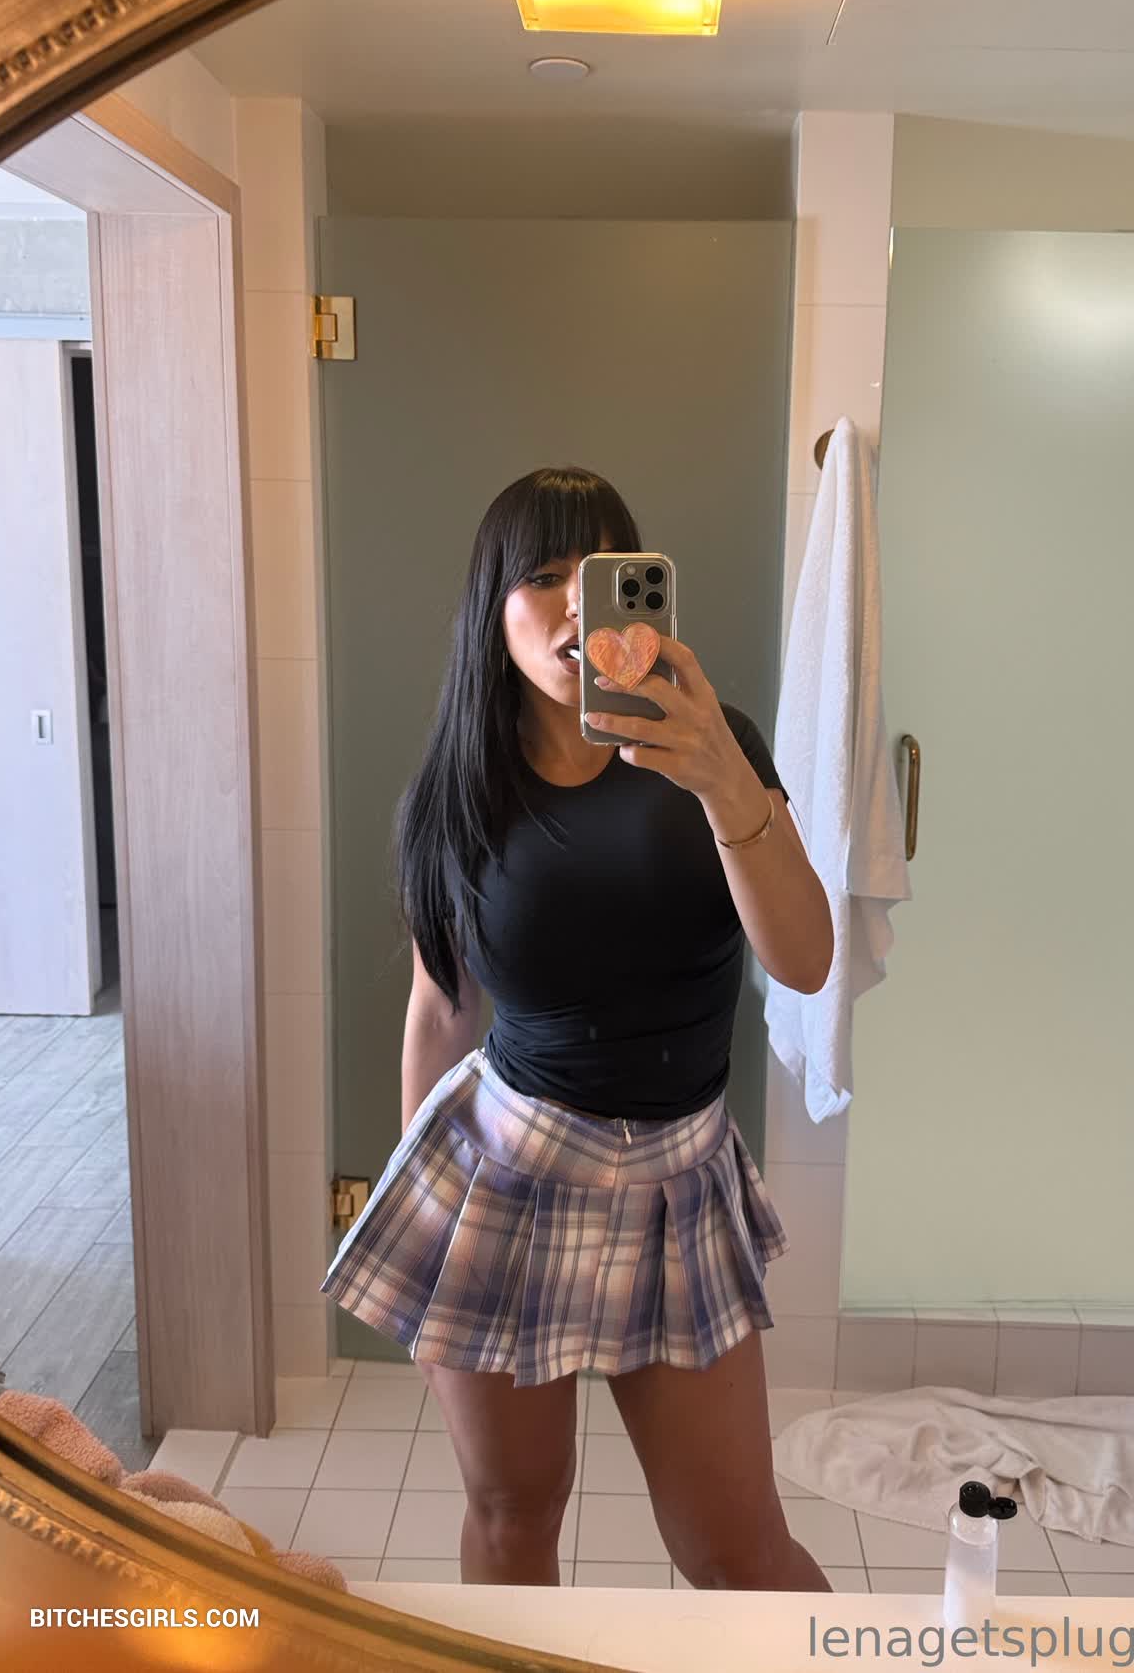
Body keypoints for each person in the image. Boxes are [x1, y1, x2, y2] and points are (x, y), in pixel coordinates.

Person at [322, 466, 835, 1591]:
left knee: (738, 1553)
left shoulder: (718, 745)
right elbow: (440, 1009)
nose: (571, 606)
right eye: (541, 576)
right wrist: (424, 1247)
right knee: (513, 1516)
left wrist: (724, 785)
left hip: (677, 1182)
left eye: (599, 574)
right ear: (492, 607)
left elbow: (805, 959)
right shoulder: (458, 790)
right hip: (501, 1175)